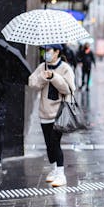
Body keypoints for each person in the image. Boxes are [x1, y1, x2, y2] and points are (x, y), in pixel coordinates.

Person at [28, 44, 75, 187]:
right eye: (44, 50)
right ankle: (54, 169)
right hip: (44, 112)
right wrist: (43, 77)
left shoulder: (65, 68)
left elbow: (68, 89)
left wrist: (54, 77)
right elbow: (32, 83)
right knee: (49, 145)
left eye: (48, 50)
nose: (46, 53)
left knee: (55, 143)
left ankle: (61, 174)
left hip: (59, 113)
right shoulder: (42, 67)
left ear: (57, 52)